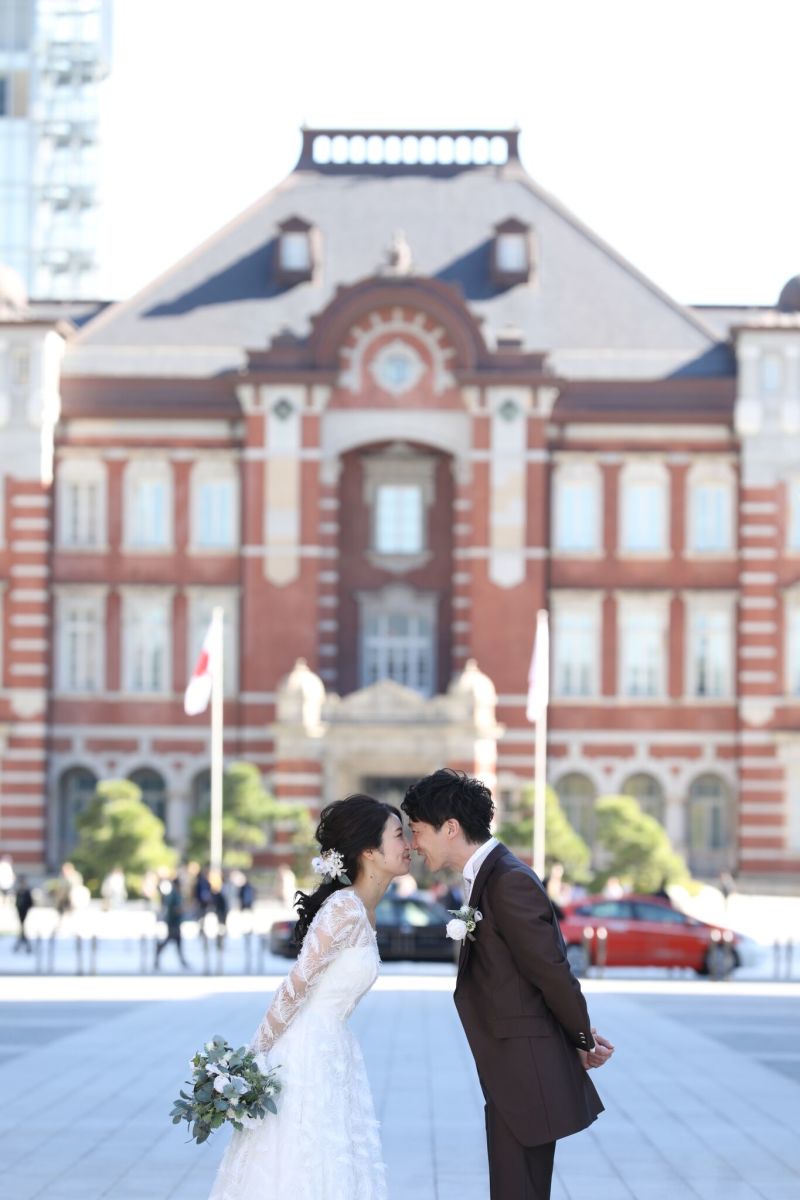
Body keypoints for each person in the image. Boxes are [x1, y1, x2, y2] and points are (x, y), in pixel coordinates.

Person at [402, 769, 614, 1200]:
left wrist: (581, 1038)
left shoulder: (508, 880)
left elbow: (551, 971)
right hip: (509, 1065)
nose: (414, 843)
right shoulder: (487, 877)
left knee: (519, 1189)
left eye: (418, 831)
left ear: (450, 828)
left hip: (524, 1068)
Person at [209, 794, 410, 1199]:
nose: (409, 845)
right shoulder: (344, 909)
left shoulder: (364, 911)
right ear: (369, 851)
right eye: (399, 835)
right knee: (300, 1161)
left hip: (334, 1048)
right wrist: (251, 1060)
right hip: (304, 1051)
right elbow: (295, 986)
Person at [154, 874, 189, 970]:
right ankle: (159, 952)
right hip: (173, 923)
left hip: (175, 922)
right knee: (171, 940)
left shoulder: (175, 894)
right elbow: (174, 908)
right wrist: (182, 909)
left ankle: (182, 961)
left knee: (177, 942)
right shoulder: (174, 895)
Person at [14, 875, 34, 953]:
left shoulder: (27, 891)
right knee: (22, 927)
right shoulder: (19, 891)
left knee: (23, 927)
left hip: (24, 911)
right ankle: (23, 939)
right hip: (20, 911)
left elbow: (30, 902)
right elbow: (17, 902)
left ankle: (24, 940)